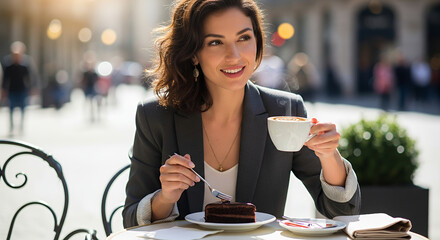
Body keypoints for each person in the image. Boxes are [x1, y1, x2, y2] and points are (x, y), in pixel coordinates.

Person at [123, 0, 361, 228]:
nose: (234, 56)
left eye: (244, 38)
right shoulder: (155, 116)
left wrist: (330, 156)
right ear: (193, 53)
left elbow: (342, 211)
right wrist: (165, 198)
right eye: (216, 42)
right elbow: (131, 219)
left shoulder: (285, 111)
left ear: (257, 41)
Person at [1, 41, 31, 135]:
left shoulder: (24, 66)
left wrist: (31, 89)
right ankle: (11, 127)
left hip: (22, 89)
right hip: (12, 90)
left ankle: (21, 126)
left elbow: (28, 78)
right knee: (11, 108)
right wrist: (3, 90)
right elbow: (5, 79)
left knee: (22, 108)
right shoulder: (8, 65)